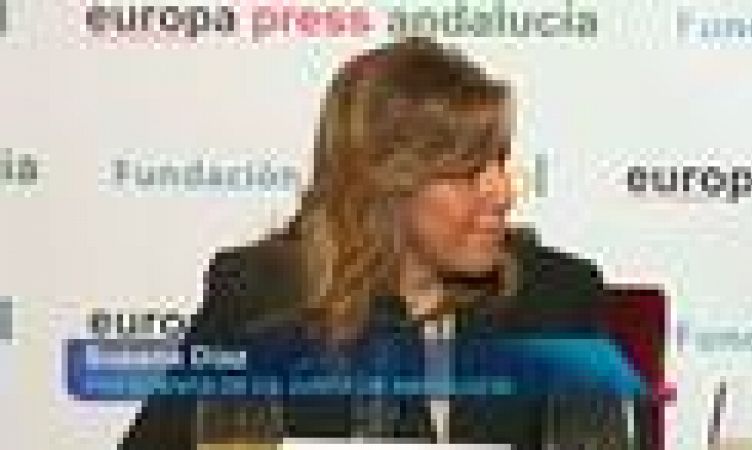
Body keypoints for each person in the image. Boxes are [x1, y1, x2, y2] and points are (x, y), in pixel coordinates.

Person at [121, 36, 643, 449]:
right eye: (468, 171)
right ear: (386, 182)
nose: (503, 192)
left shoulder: (557, 298)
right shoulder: (257, 297)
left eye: (500, 163)